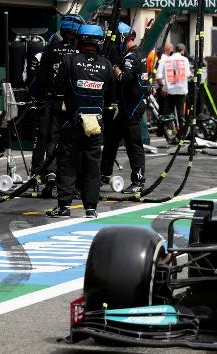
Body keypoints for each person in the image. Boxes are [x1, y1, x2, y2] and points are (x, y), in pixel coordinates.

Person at [47, 24, 112, 219]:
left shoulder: (69, 60)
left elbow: (55, 88)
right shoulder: (107, 65)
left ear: (80, 40)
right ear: (99, 43)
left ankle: (64, 206)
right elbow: (109, 94)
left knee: (67, 163)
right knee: (93, 166)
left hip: (72, 122)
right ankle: (91, 209)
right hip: (96, 123)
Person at [29, 14, 83, 196]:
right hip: (73, 103)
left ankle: (39, 175)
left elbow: (40, 77)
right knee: (73, 142)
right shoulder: (81, 51)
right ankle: (72, 182)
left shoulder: (51, 48)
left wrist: (36, 96)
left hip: (50, 100)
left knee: (46, 138)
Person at [100, 23, 148, 193]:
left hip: (132, 108)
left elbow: (124, 78)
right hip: (131, 105)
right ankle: (104, 174)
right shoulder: (139, 53)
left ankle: (139, 182)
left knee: (133, 144)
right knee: (112, 137)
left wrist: (114, 68)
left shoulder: (130, 57)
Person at [155, 42, 192, 136]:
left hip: (169, 90)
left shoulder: (166, 60)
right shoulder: (185, 60)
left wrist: (163, 87)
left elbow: (158, 76)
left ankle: (168, 131)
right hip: (181, 90)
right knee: (180, 112)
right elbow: (188, 74)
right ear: (182, 51)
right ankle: (181, 133)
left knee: (167, 112)